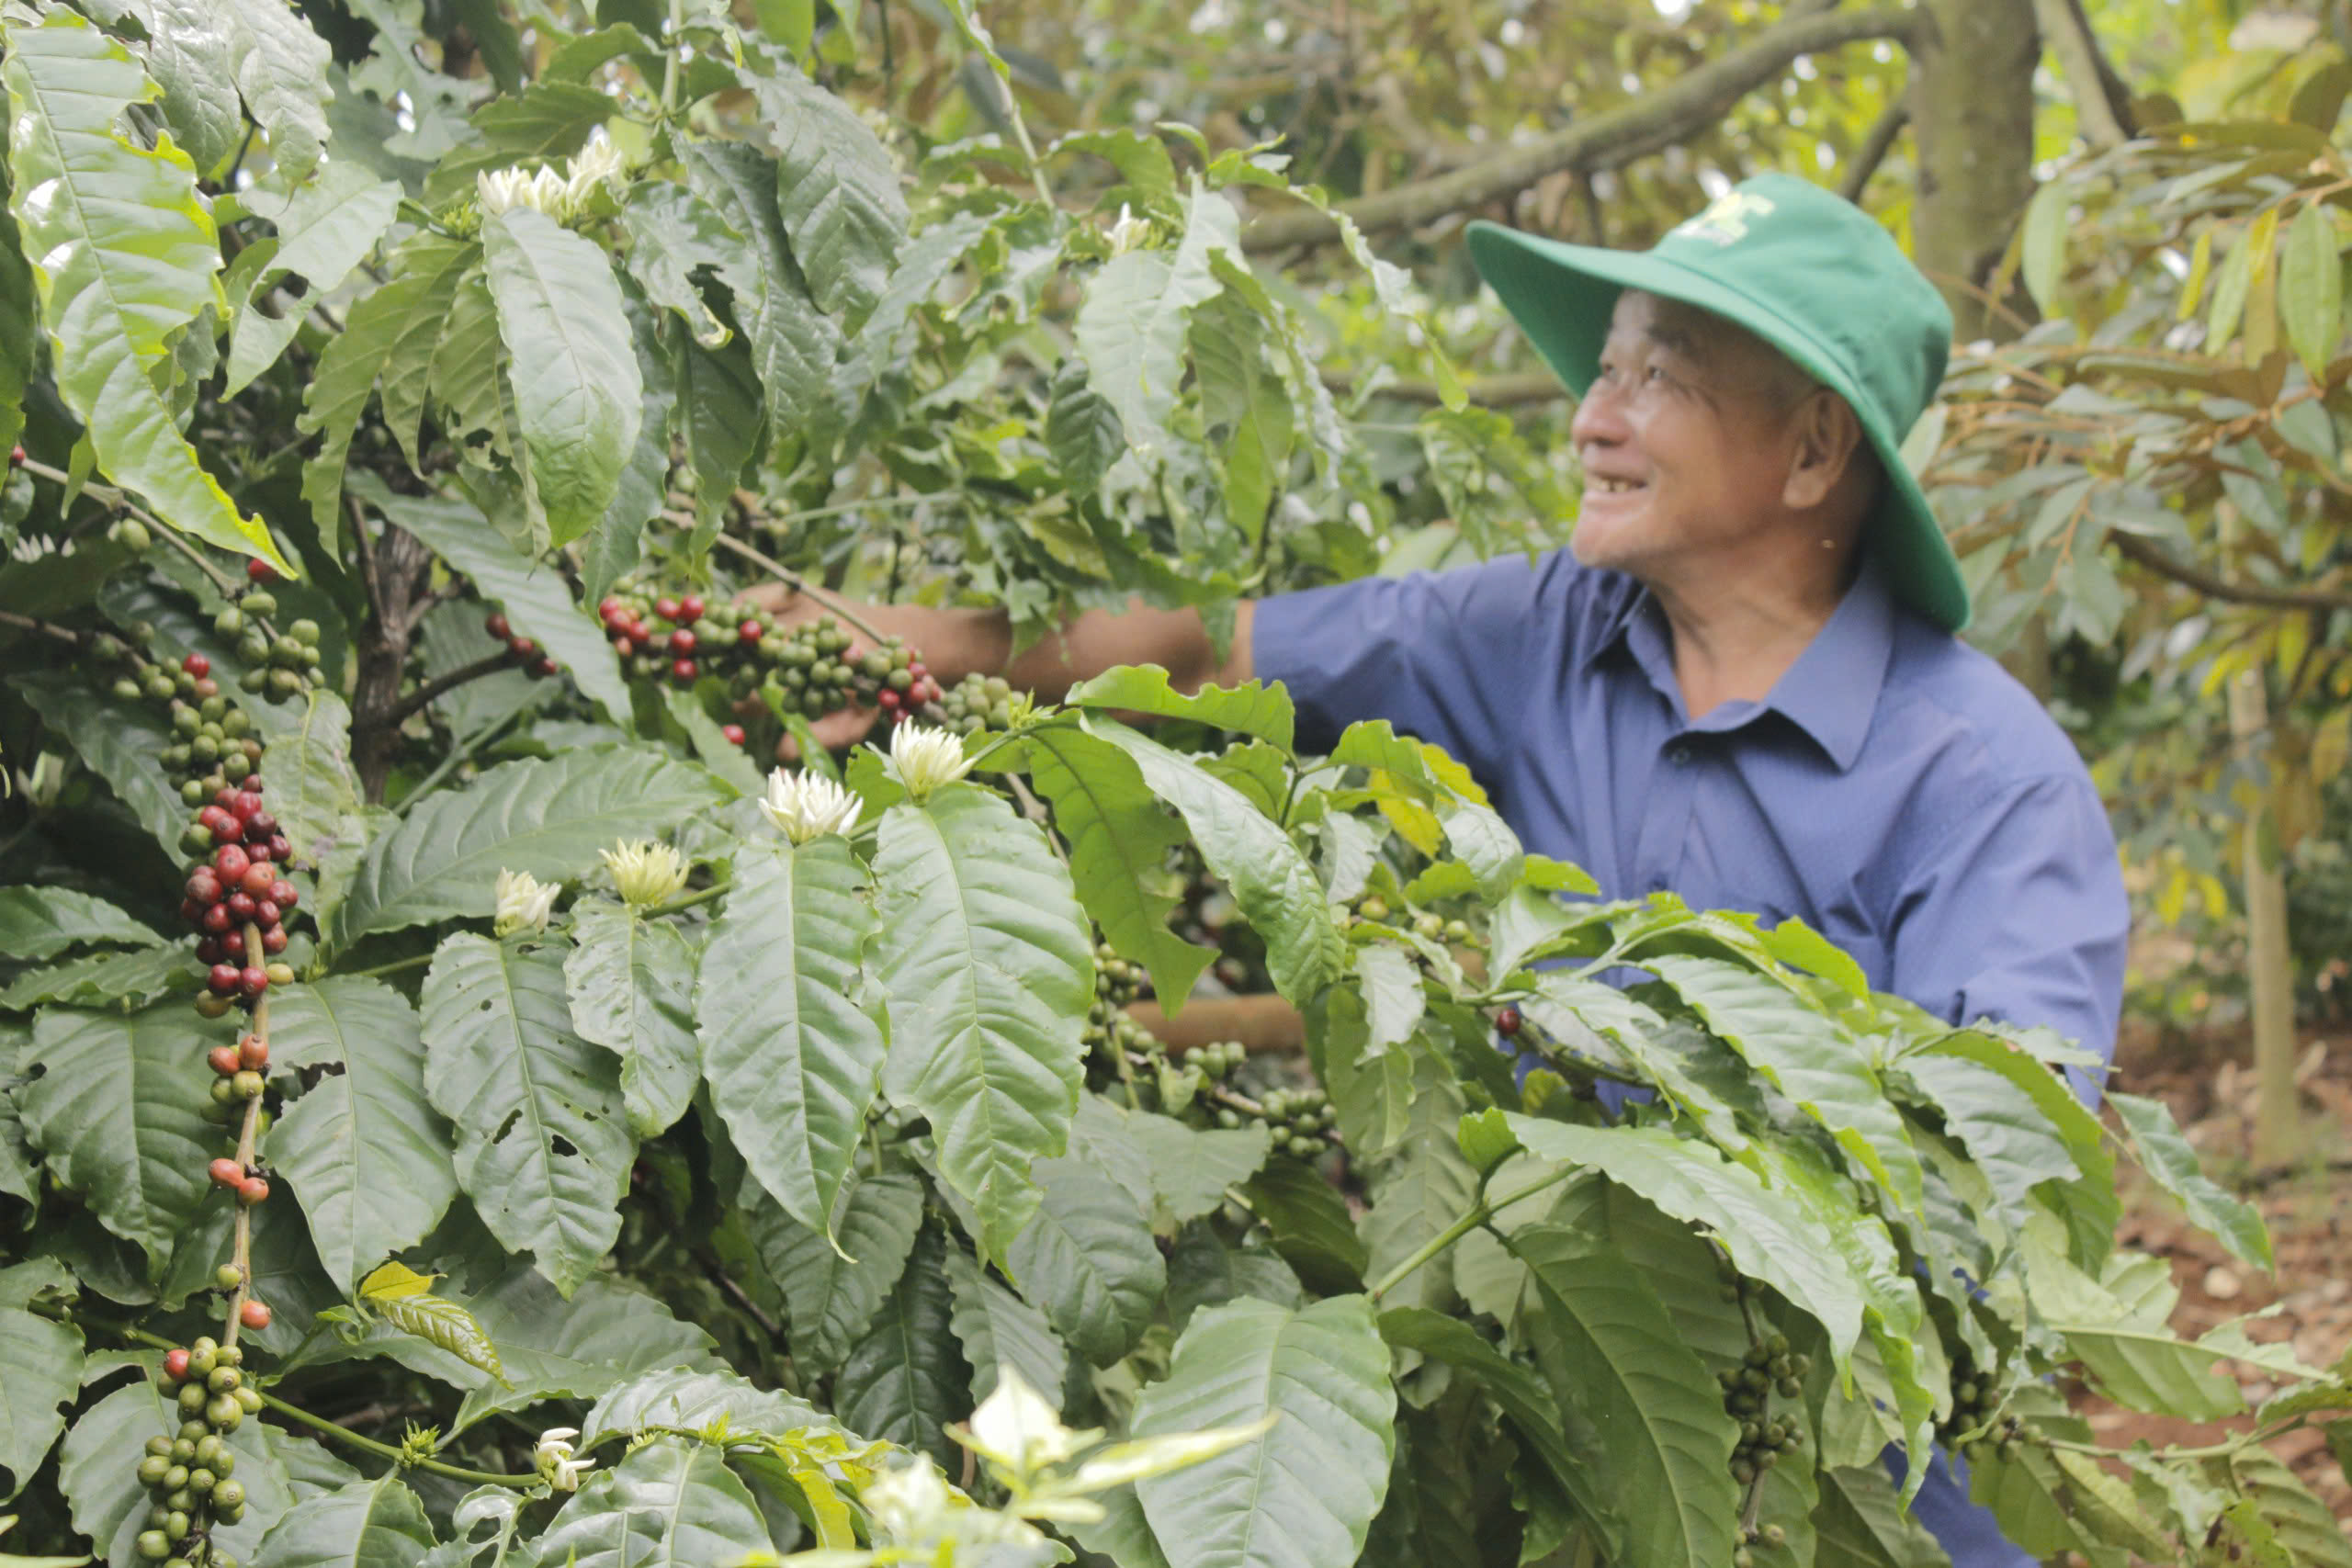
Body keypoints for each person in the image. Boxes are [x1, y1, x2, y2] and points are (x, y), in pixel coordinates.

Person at [748, 172, 2129, 1564]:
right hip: (1545, 1452)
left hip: (1845, 1492)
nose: (1592, 417)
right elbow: (1208, 654)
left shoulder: (1984, 785)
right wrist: (900, 642)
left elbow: (1985, 1191)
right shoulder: (1553, 630)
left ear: (1816, 450)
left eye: (1661, 378)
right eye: (1606, 370)